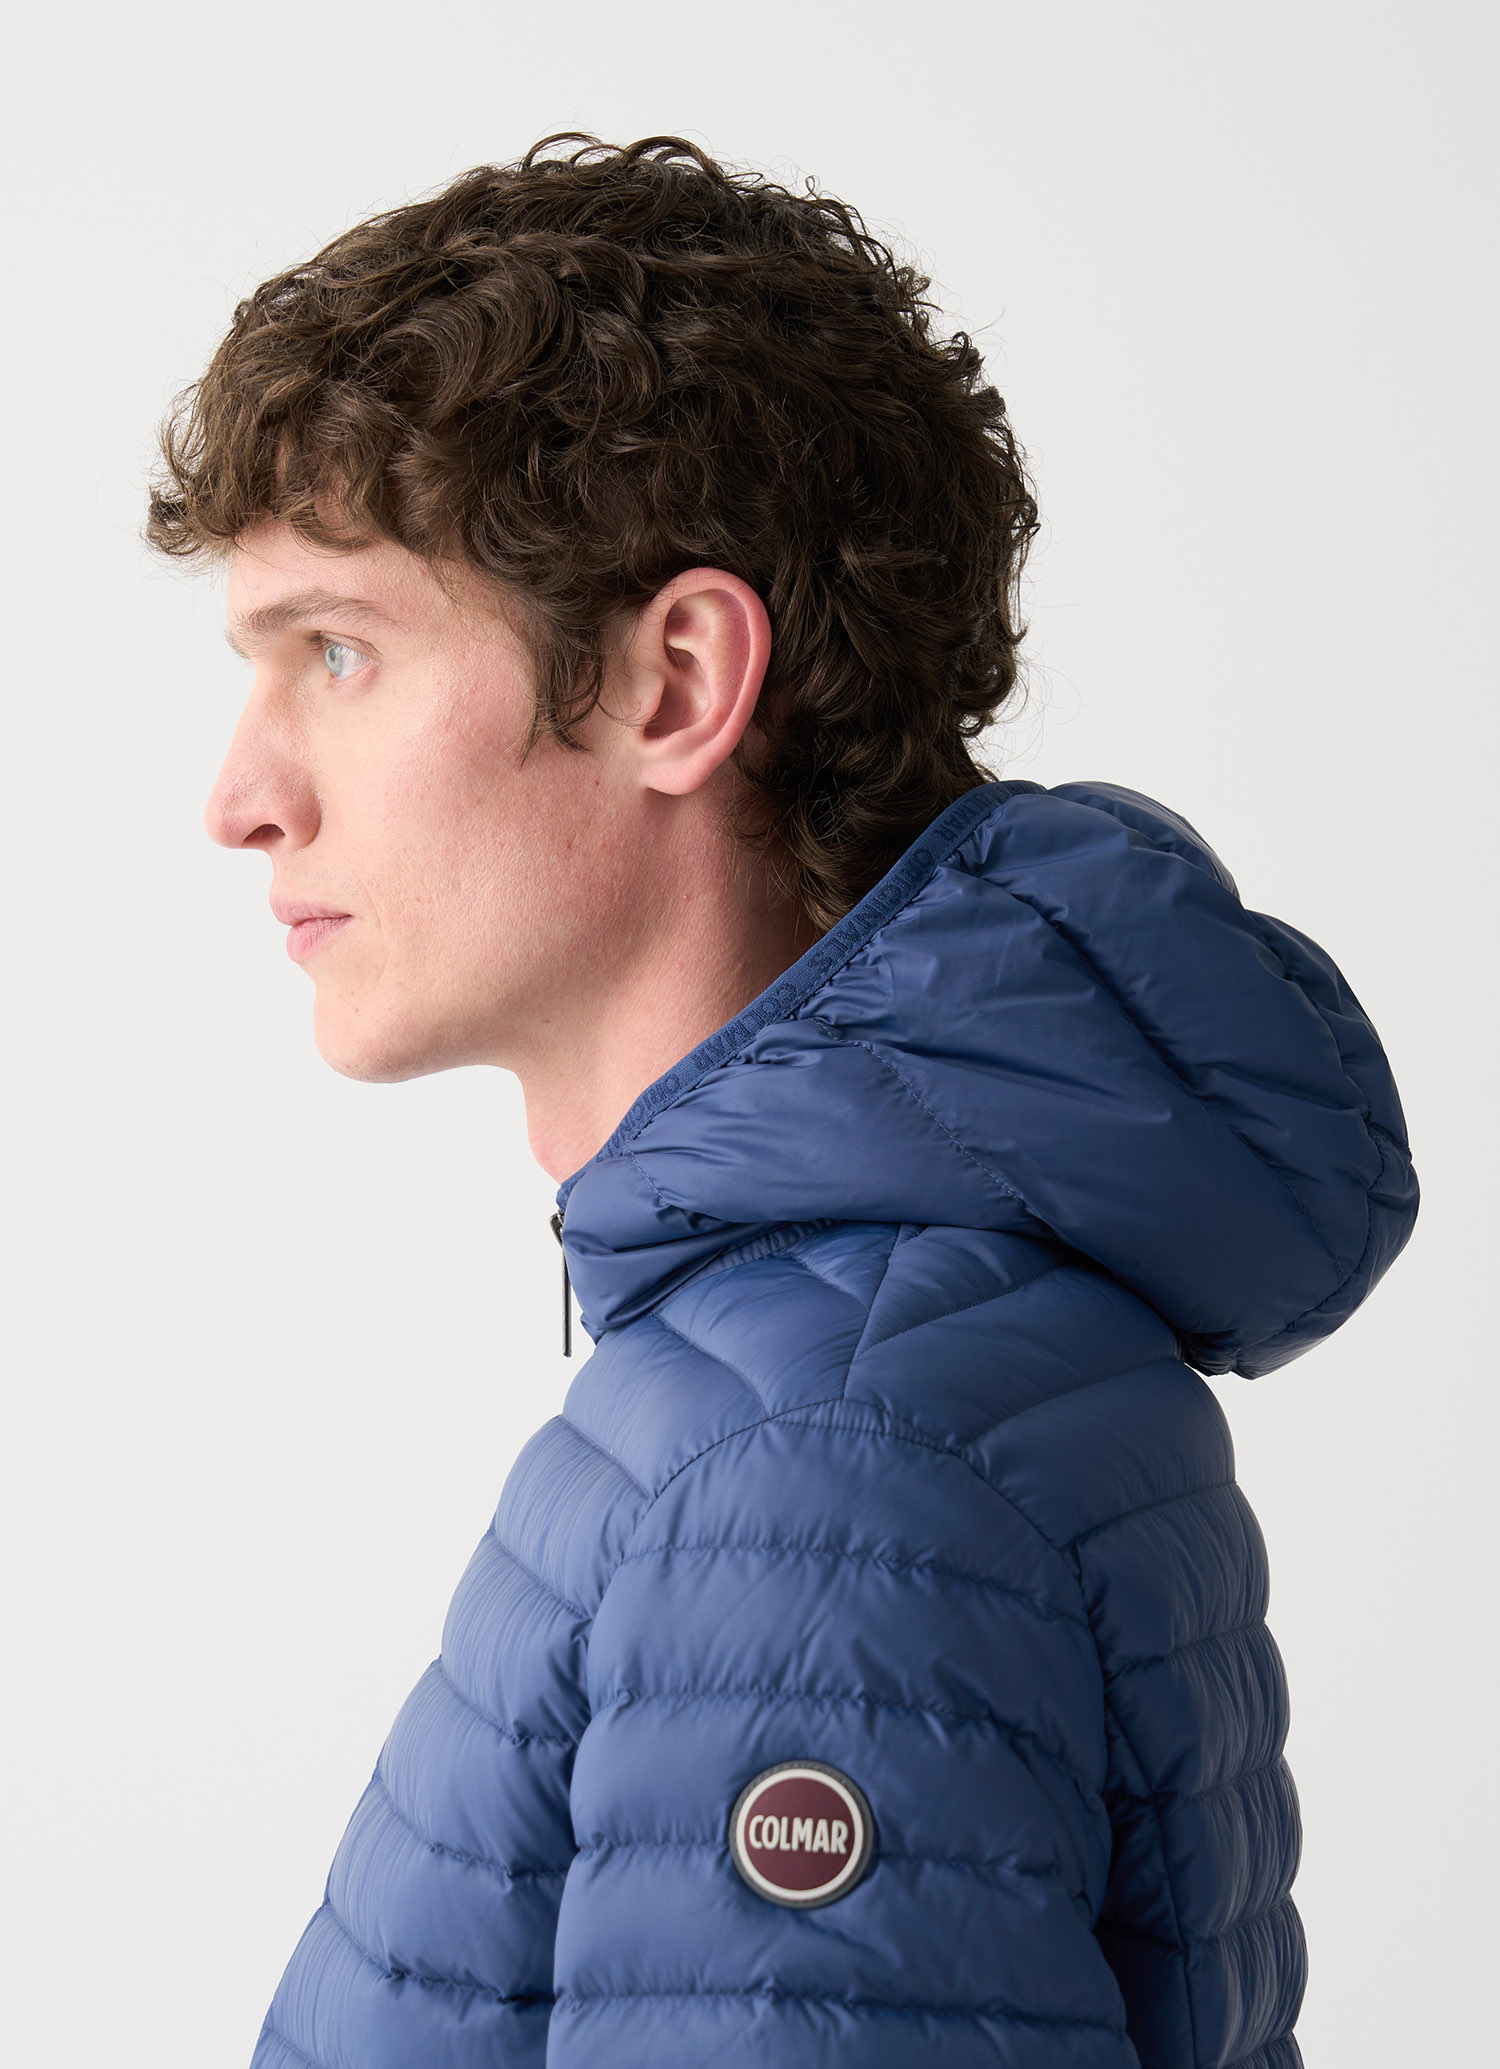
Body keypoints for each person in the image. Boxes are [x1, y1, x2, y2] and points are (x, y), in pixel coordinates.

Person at [150, 134, 1417, 2069]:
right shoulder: (840, 1368)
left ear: (675, 684)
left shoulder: (814, 1469)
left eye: (338, 649)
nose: (242, 796)